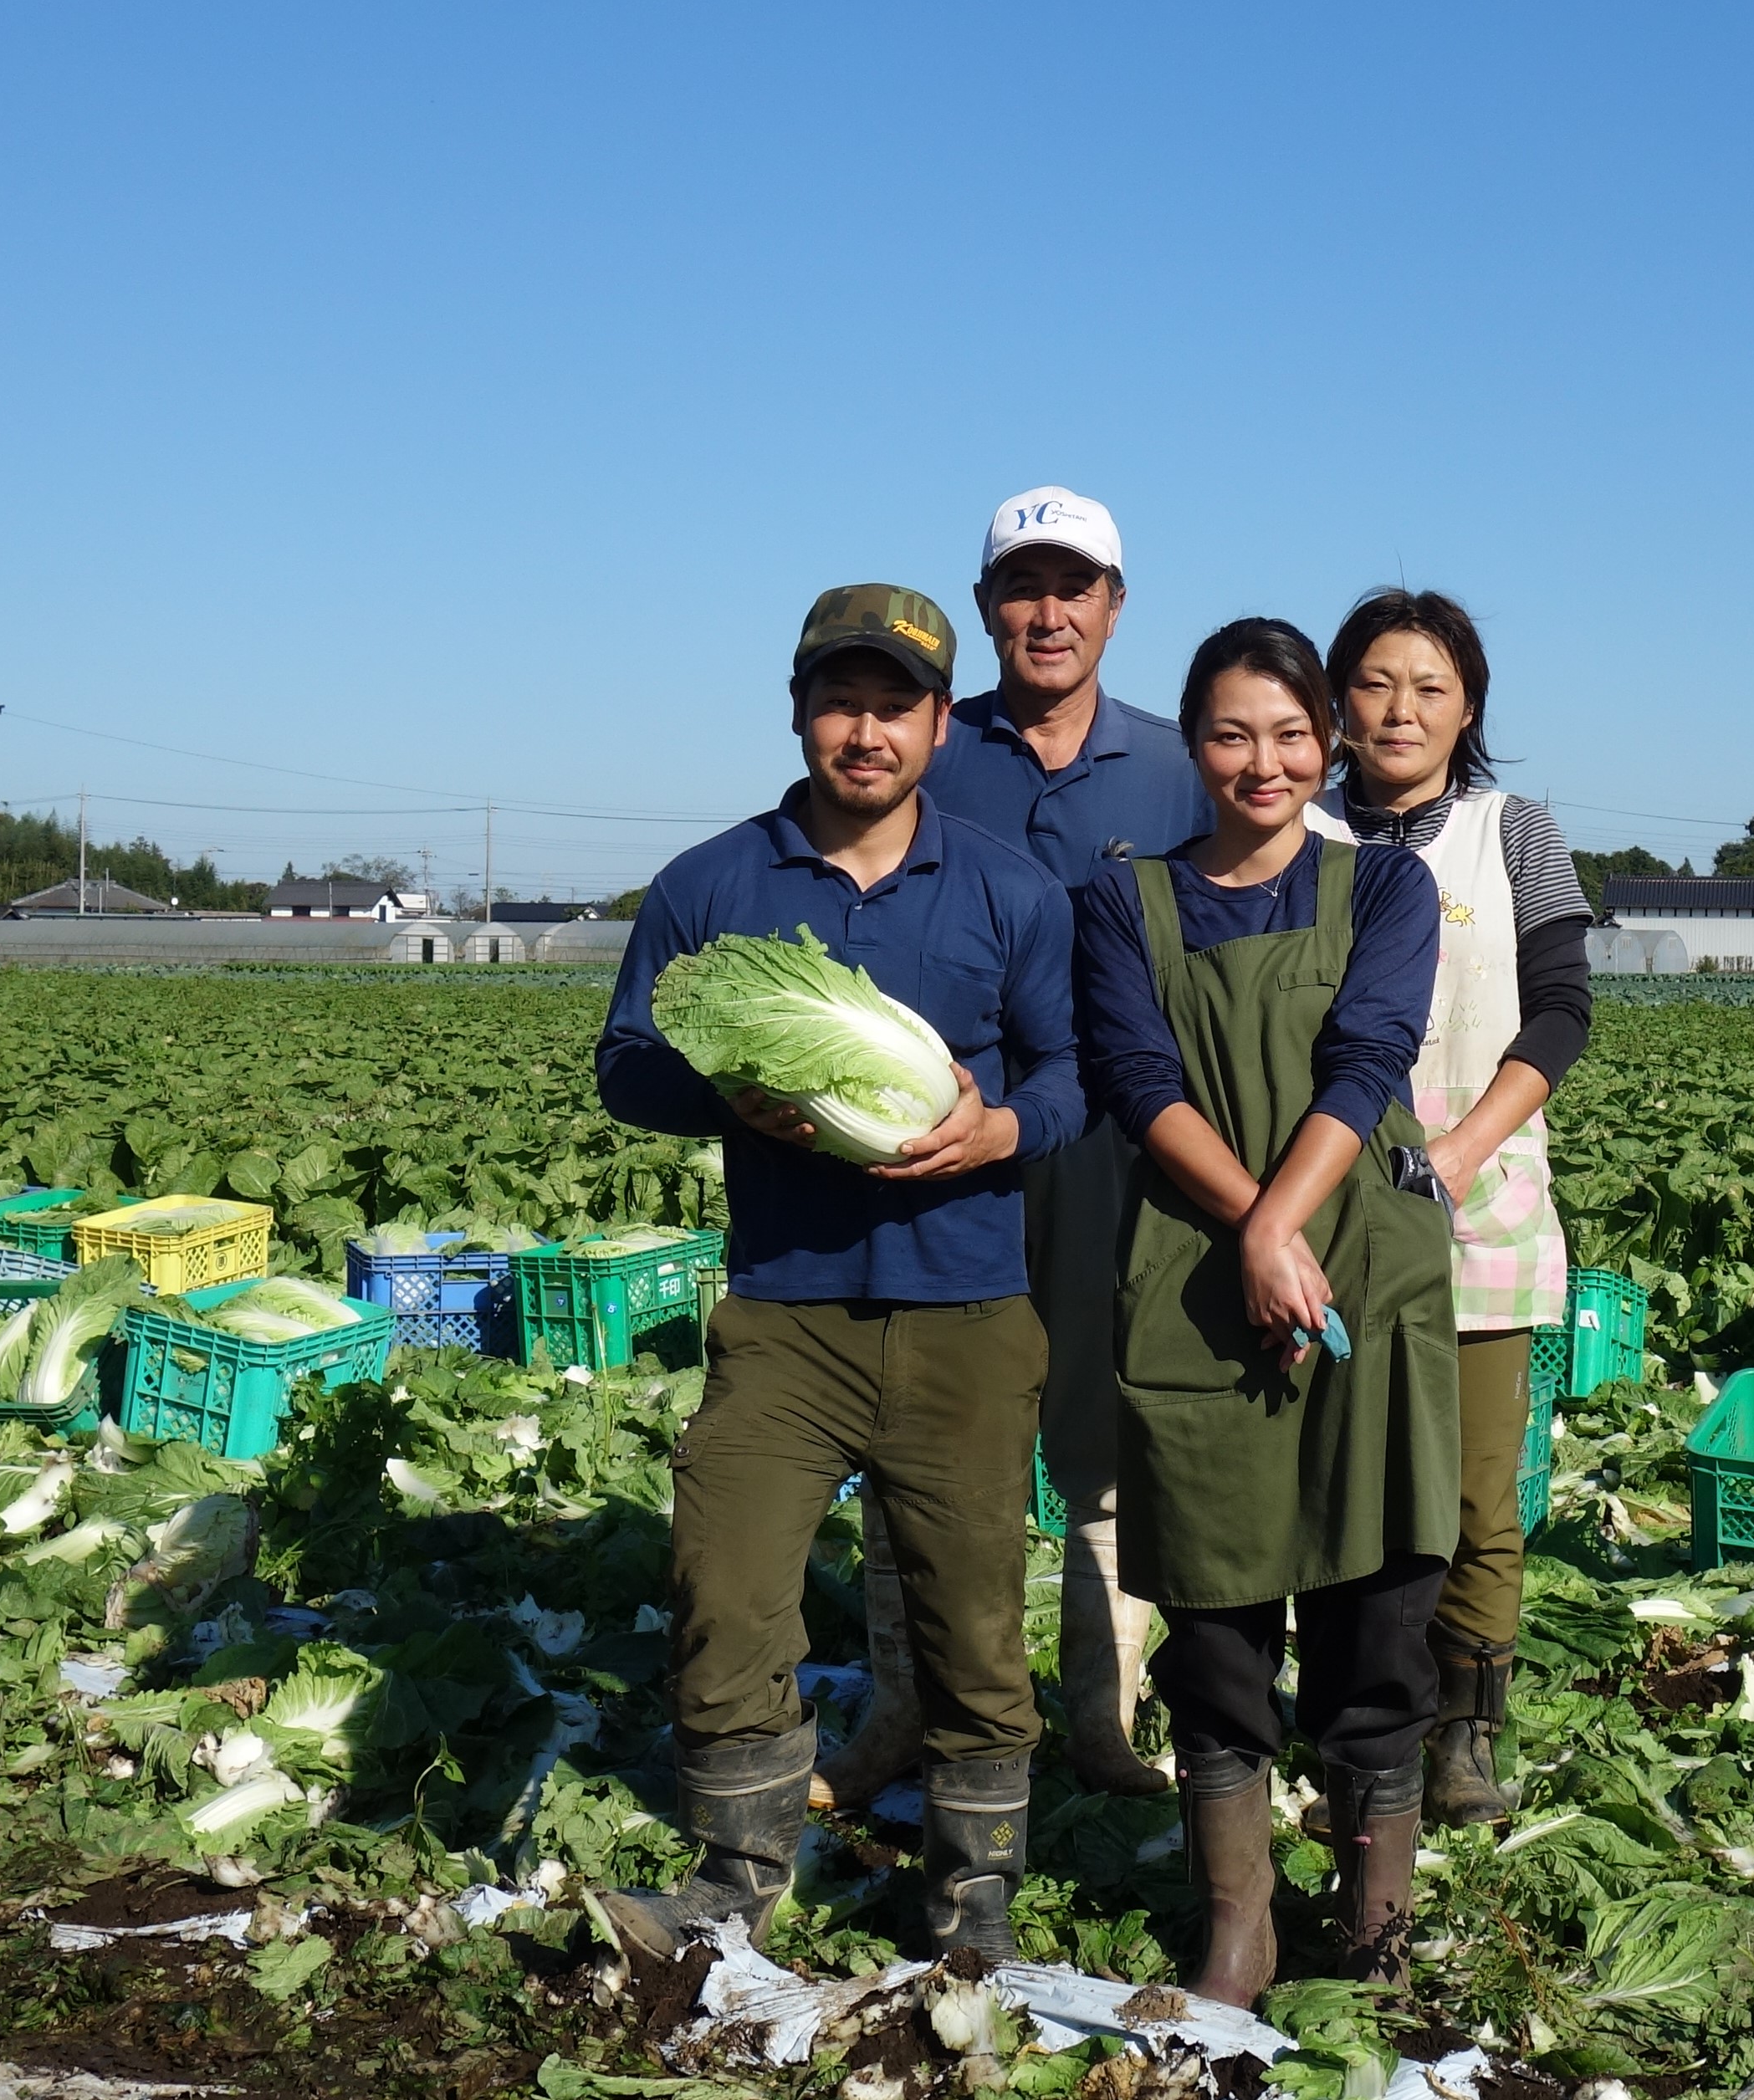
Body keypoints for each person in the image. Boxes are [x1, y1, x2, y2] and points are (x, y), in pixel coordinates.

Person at [594, 583, 1082, 1964]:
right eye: (839, 702)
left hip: (968, 1310)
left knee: (973, 1615)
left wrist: (998, 1126)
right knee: (725, 1580)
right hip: (786, 1312)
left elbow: (1071, 1080)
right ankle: (736, 1878)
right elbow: (627, 1066)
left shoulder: (1005, 887)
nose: (864, 733)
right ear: (801, 712)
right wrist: (723, 1097)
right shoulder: (710, 883)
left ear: (938, 721)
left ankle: (971, 1899)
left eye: (894, 706)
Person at [1074, 618, 1460, 2003]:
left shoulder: (1385, 890)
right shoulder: (1127, 898)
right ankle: (1239, 1922)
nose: (1266, 761)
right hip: (1195, 1280)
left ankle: (1373, 1920)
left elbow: (1367, 1058)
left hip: (1363, 1269)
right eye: (1234, 734)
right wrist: (1251, 1232)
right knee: (1218, 1624)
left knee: (1379, 1616)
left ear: (1330, 744)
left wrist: (1284, 1227)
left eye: (1294, 735)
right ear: (1194, 742)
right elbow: (1133, 1075)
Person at [816, 486, 1209, 1809]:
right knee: (916, 1437)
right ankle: (899, 1713)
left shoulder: (1174, 765)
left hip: (1120, 1156)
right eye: (1022, 587)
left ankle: (1100, 1722)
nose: (1049, 611)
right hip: (939, 1162)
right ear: (986, 608)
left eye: (1075, 586)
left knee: (1104, 1443)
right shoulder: (928, 744)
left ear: (1113, 605)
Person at [1310, 590, 1593, 1829]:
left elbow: (1562, 1010)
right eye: (1374, 683)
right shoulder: (1296, 825)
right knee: (1333, 1481)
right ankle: (1349, 1711)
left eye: (1427, 687)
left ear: (1466, 705)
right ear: (1337, 699)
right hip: (1324, 1208)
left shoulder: (1511, 829)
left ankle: (1463, 1731)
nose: (1399, 710)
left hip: (1479, 1200)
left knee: (1477, 1494)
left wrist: (1467, 1144)